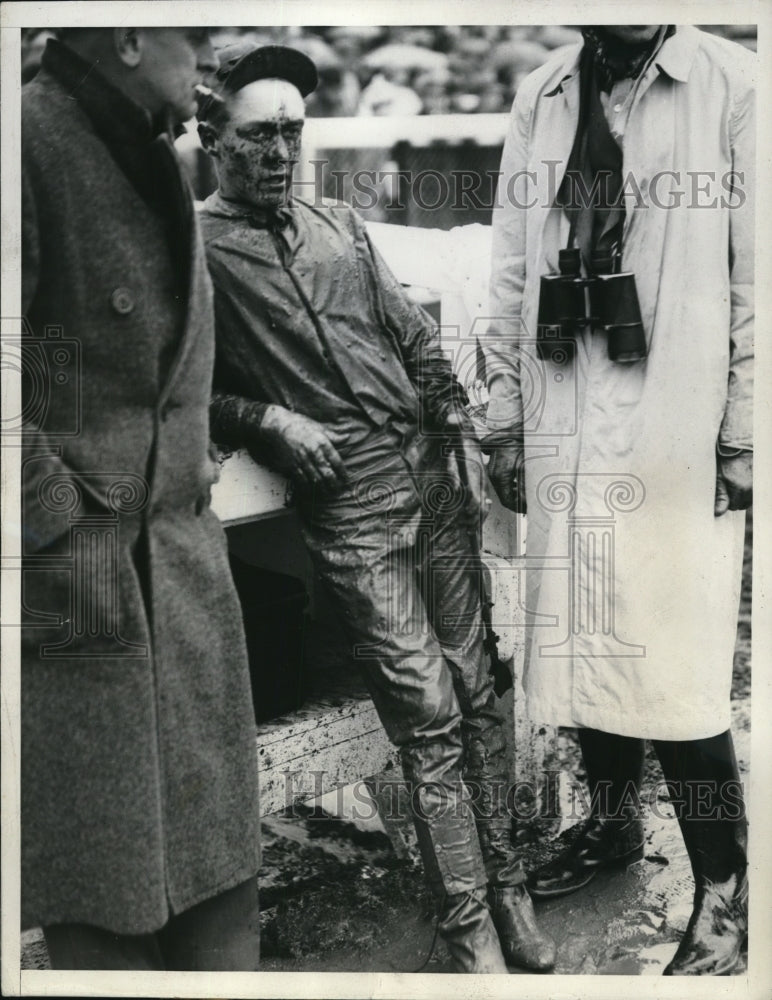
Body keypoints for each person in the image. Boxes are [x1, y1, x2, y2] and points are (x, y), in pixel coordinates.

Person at [196, 44, 555, 974]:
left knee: (481, 689)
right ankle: (467, 919)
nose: (278, 152)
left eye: (290, 133)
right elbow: (174, 385)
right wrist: (267, 416)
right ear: (211, 139)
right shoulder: (193, 249)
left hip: (431, 481)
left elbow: (414, 338)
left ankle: (511, 891)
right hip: (348, 505)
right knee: (426, 709)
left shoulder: (341, 224)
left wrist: (470, 430)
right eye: (256, 135)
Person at [483, 24, 753, 975]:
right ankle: (610, 830)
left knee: (677, 666)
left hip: (678, 415)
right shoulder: (547, 93)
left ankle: (726, 888)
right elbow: (512, 260)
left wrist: (745, 432)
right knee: (589, 631)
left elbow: (760, 278)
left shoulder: (735, 85)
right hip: (568, 394)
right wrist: (505, 415)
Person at [21, 28, 260, 970]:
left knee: (218, 882)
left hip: (183, 565)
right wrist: (61, 518)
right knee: (102, 896)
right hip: (81, 578)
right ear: (124, 36)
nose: (204, 58)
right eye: (191, 37)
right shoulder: (28, 141)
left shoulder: (152, 145)